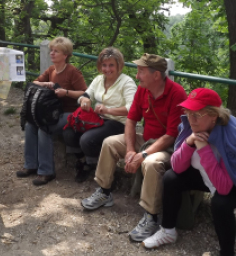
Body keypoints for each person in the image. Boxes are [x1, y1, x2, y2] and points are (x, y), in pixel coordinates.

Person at [81, 53, 187, 242]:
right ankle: (105, 192)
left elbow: (171, 136)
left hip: (167, 146)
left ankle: (151, 216)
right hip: (145, 140)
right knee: (110, 143)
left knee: (152, 163)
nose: (137, 76)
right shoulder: (143, 90)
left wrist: (143, 154)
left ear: (156, 75)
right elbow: (131, 120)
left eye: (141, 71)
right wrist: (130, 149)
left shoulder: (176, 93)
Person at [142, 88, 236, 256]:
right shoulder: (189, 126)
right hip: (208, 176)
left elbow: (224, 187)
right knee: (171, 178)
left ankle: (227, 253)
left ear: (214, 115)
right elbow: (177, 166)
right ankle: (168, 231)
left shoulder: (231, 136)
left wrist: (204, 148)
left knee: (221, 203)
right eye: (188, 112)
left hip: (230, 182)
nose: (191, 119)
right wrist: (189, 142)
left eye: (197, 114)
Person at [16, 37, 87, 186]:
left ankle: (46, 171)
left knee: (44, 128)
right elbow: (34, 83)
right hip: (52, 111)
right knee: (30, 125)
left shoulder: (73, 72)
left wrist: (66, 92)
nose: (52, 54)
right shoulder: (51, 70)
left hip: (71, 112)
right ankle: (30, 165)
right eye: (51, 51)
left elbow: (85, 94)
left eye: (56, 51)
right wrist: (44, 83)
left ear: (65, 55)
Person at [63, 47, 137, 182]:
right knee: (69, 132)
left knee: (87, 139)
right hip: (98, 119)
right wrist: (84, 99)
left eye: (111, 65)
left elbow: (132, 108)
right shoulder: (98, 80)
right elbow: (86, 95)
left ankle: (99, 169)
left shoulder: (127, 82)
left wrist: (108, 110)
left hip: (118, 122)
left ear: (119, 65)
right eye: (104, 65)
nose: (107, 69)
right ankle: (84, 161)